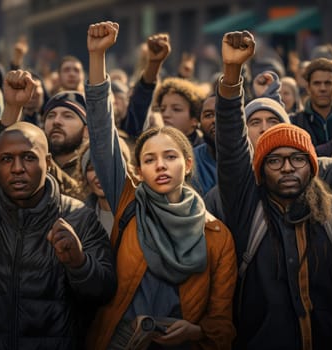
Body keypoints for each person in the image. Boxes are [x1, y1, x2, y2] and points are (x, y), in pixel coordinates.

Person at [84, 20, 237, 350]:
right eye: (150, 160)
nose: (161, 165)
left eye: (170, 156)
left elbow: (223, 323)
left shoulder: (218, 238)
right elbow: (101, 137)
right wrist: (97, 57)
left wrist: (196, 332)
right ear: (138, 171)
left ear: (189, 163)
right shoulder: (128, 203)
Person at [215, 30, 332, 350]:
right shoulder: (247, 208)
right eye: (274, 161)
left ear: (313, 166)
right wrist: (232, 74)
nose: (287, 168)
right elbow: (231, 145)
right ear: (258, 170)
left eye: (297, 159)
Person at [0, 69, 117, 349]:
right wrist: (12, 107)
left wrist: (79, 264)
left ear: (48, 161)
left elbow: (106, 290)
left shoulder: (77, 217)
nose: (17, 169)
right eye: (6, 160)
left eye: (28, 158)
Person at [290, 57, 332, 156]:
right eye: (317, 83)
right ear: (308, 87)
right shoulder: (295, 123)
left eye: (328, 83)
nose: (322, 88)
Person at [153, 76, 207, 147]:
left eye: (176, 109)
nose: (165, 115)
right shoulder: (155, 145)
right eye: (162, 109)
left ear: (195, 120)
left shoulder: (207, 151)